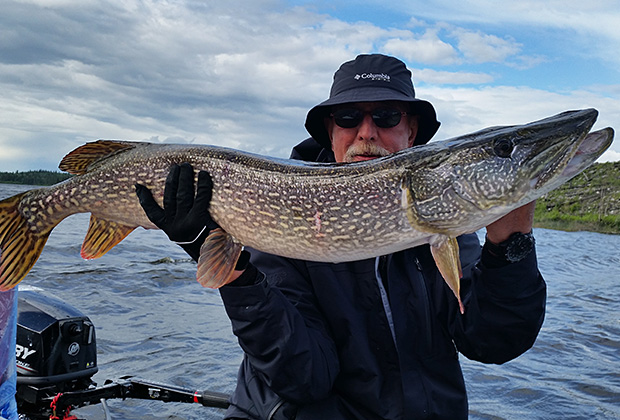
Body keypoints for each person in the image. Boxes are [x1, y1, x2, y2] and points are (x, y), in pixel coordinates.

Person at [136, 54, 546, 419]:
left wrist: (510, 243)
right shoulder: (282, 211)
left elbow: (494, 342)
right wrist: (230, 269)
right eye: (349, 118)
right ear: (330, 132)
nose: (366, 132)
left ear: (413, 131)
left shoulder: (441, 225)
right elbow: (304, 378)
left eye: (386, 116)